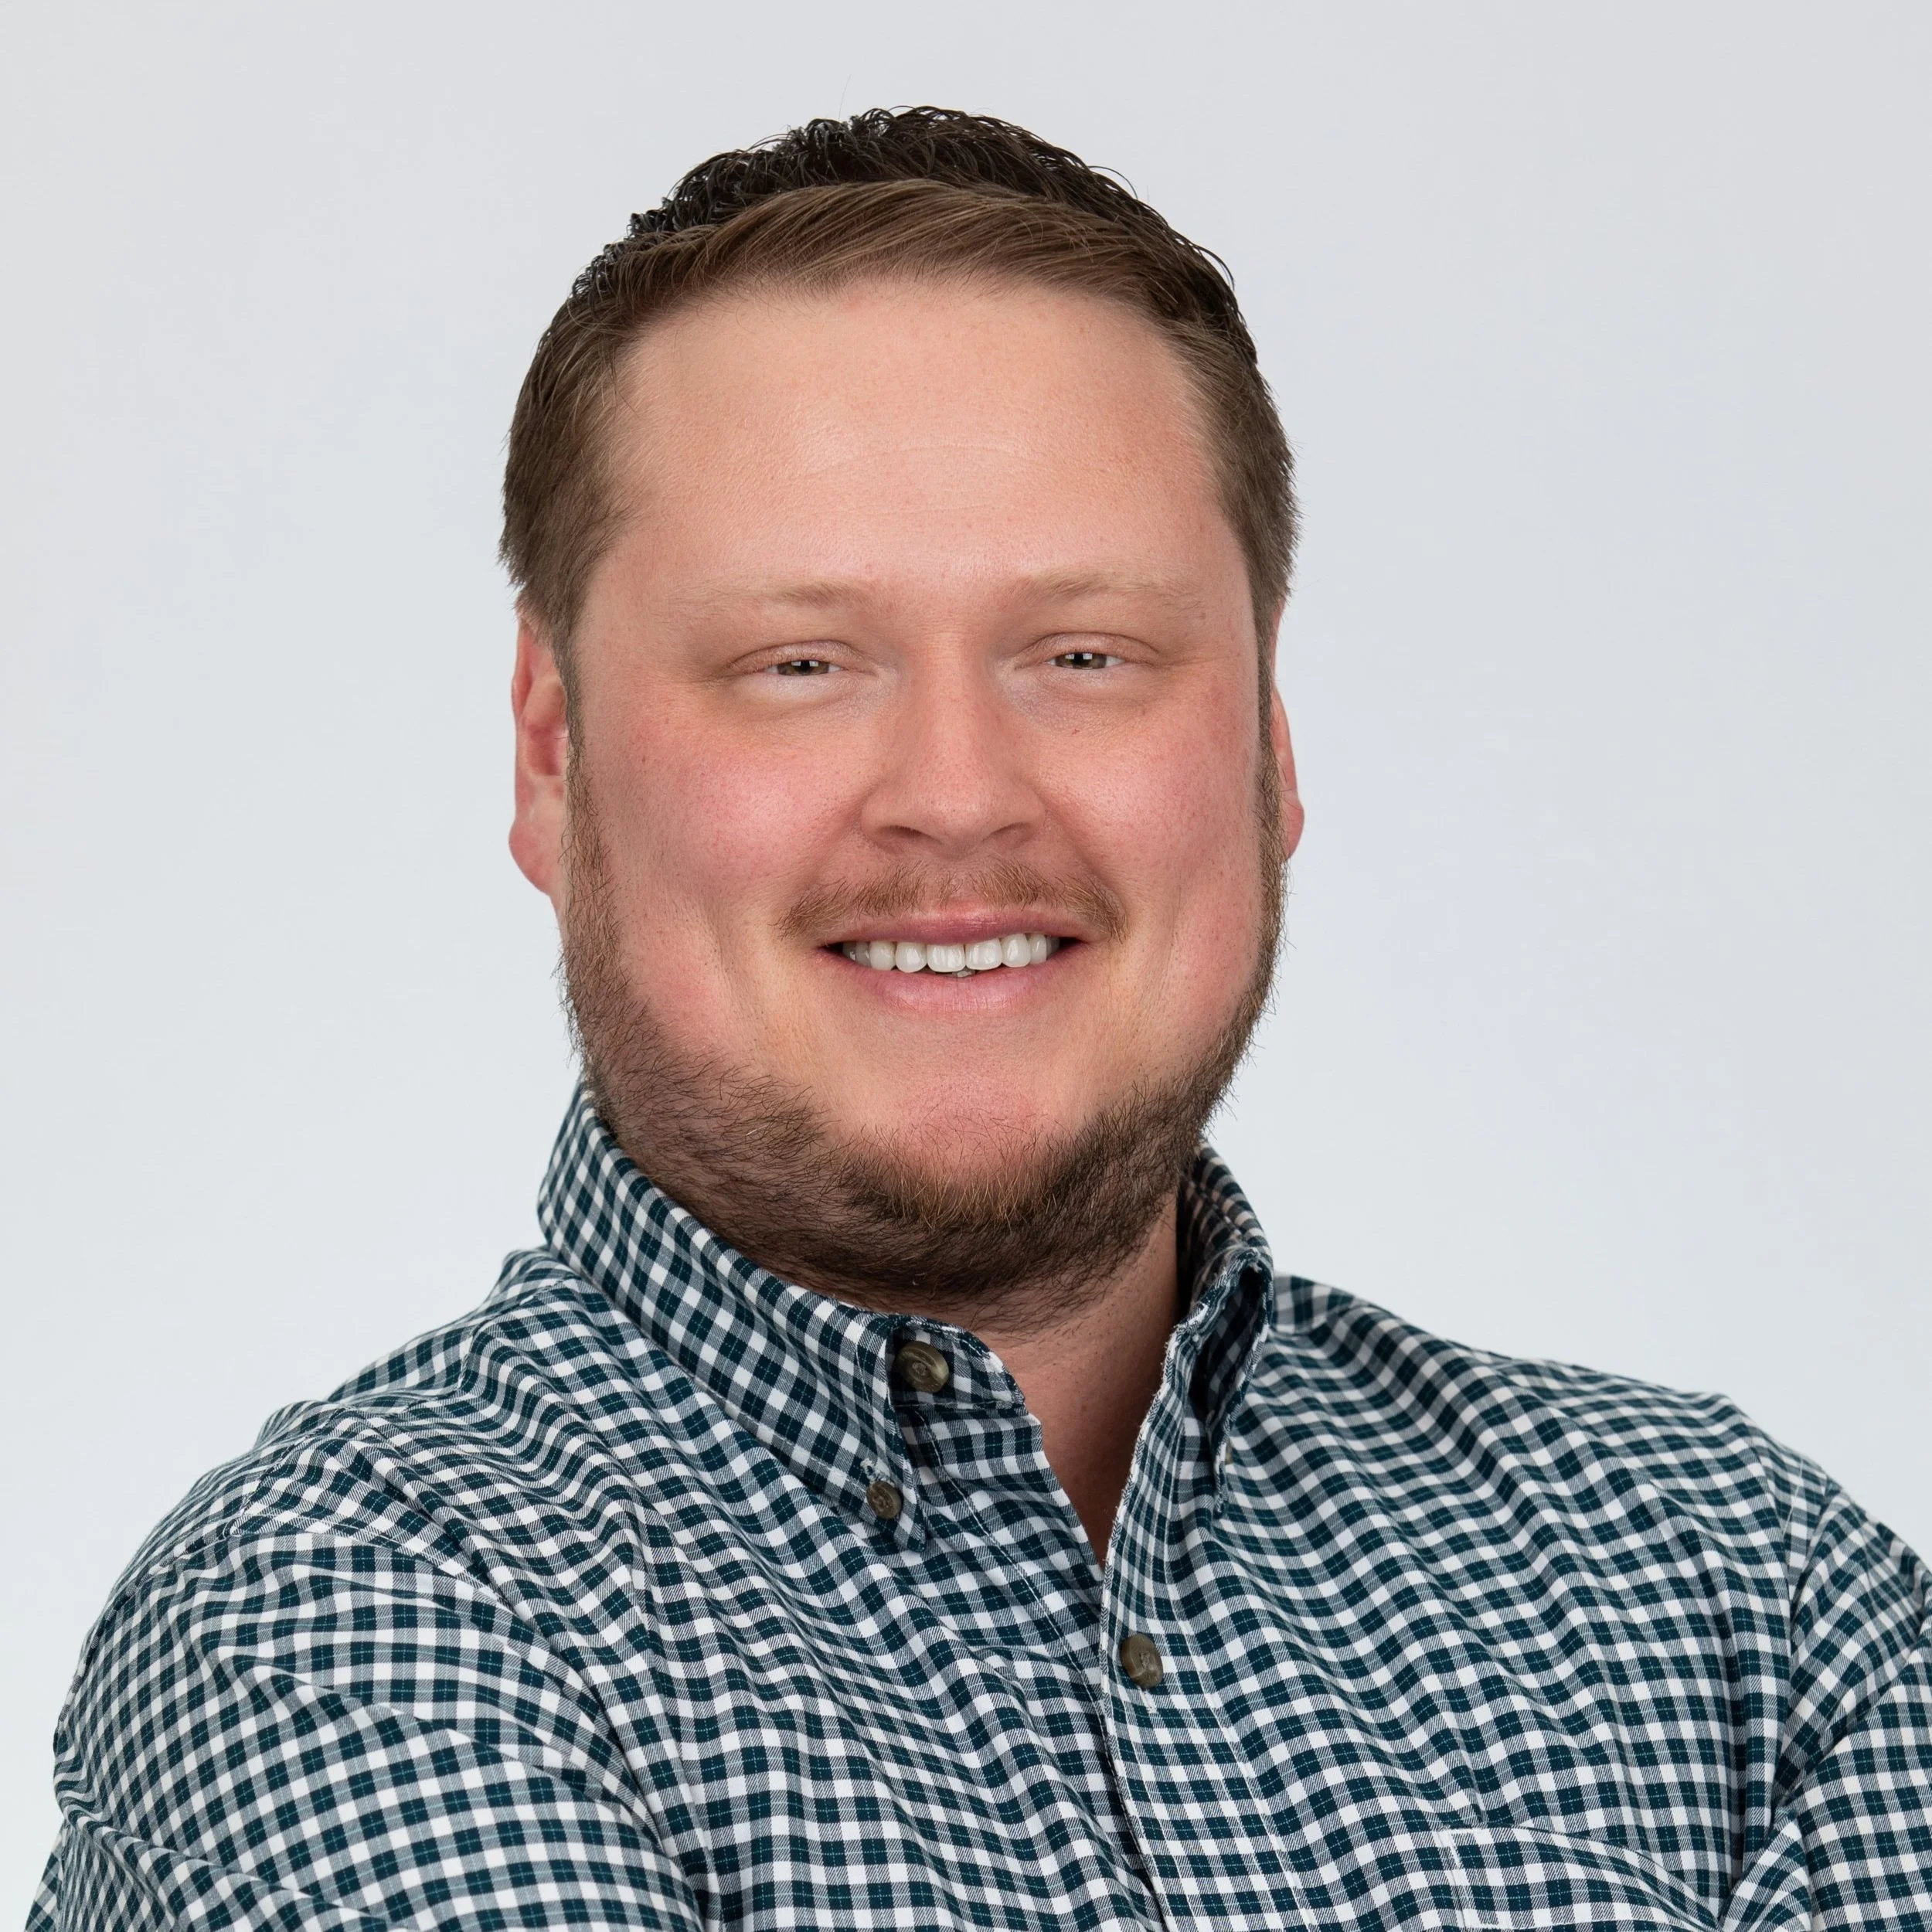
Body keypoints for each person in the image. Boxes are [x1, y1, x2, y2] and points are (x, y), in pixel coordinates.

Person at [32, 107, 1930, 1932]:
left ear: (1266, 748)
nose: (956, 789)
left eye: (1082, 655)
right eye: (799, 663)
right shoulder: (350, 1627)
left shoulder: (1735, 1595)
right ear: (551, 760)